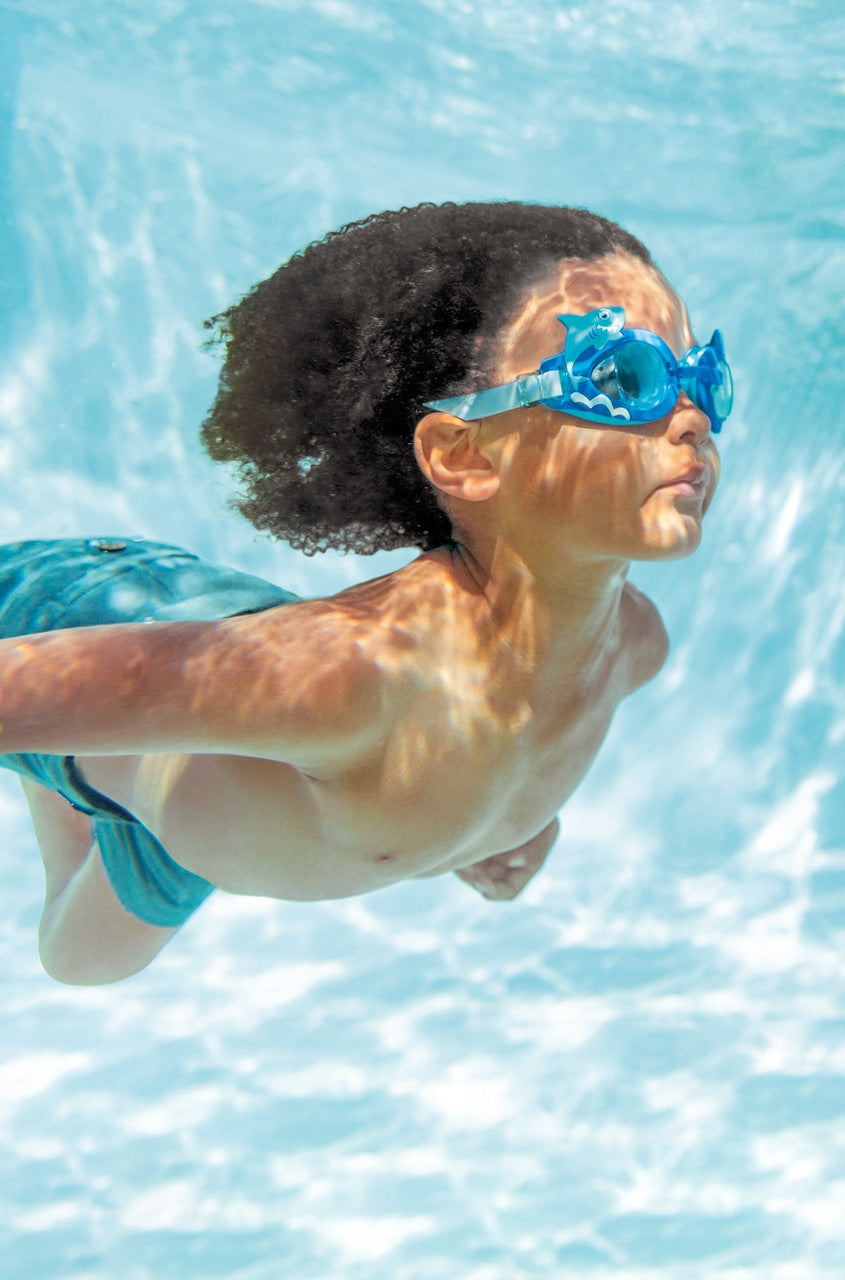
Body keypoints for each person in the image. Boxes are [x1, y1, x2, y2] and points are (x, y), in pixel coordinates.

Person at [0, 201, 731, 985]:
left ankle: (89, 794)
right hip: (96, 615)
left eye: (702, 378)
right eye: (626, 377)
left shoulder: (631, 648)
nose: (689, 418)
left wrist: (507, 827)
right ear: (464, 455)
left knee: (77, 962)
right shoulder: (356, 677)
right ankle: (69, 759)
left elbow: (501, 739)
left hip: (195, 793)